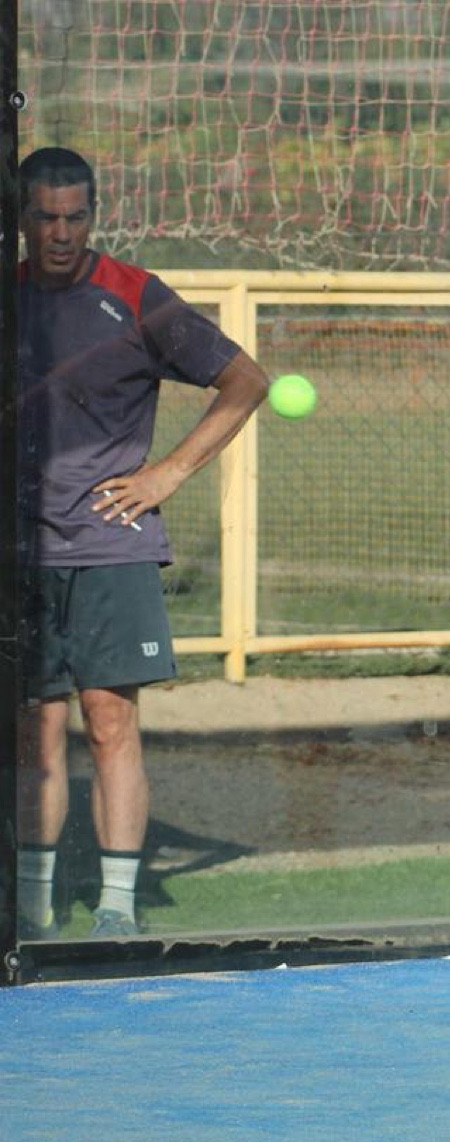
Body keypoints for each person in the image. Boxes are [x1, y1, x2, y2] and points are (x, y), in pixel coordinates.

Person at [15, 147, 269, 939]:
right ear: (21, 219)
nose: (61, 234)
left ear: (94, 216)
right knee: (33, 732)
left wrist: (168, 473)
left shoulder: (136, 296)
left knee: (109, 721)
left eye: (75, 217)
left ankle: (117, 913)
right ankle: (30, 911)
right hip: (19, 556)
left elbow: (246, 382)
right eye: (45, 218)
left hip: (112, 548)